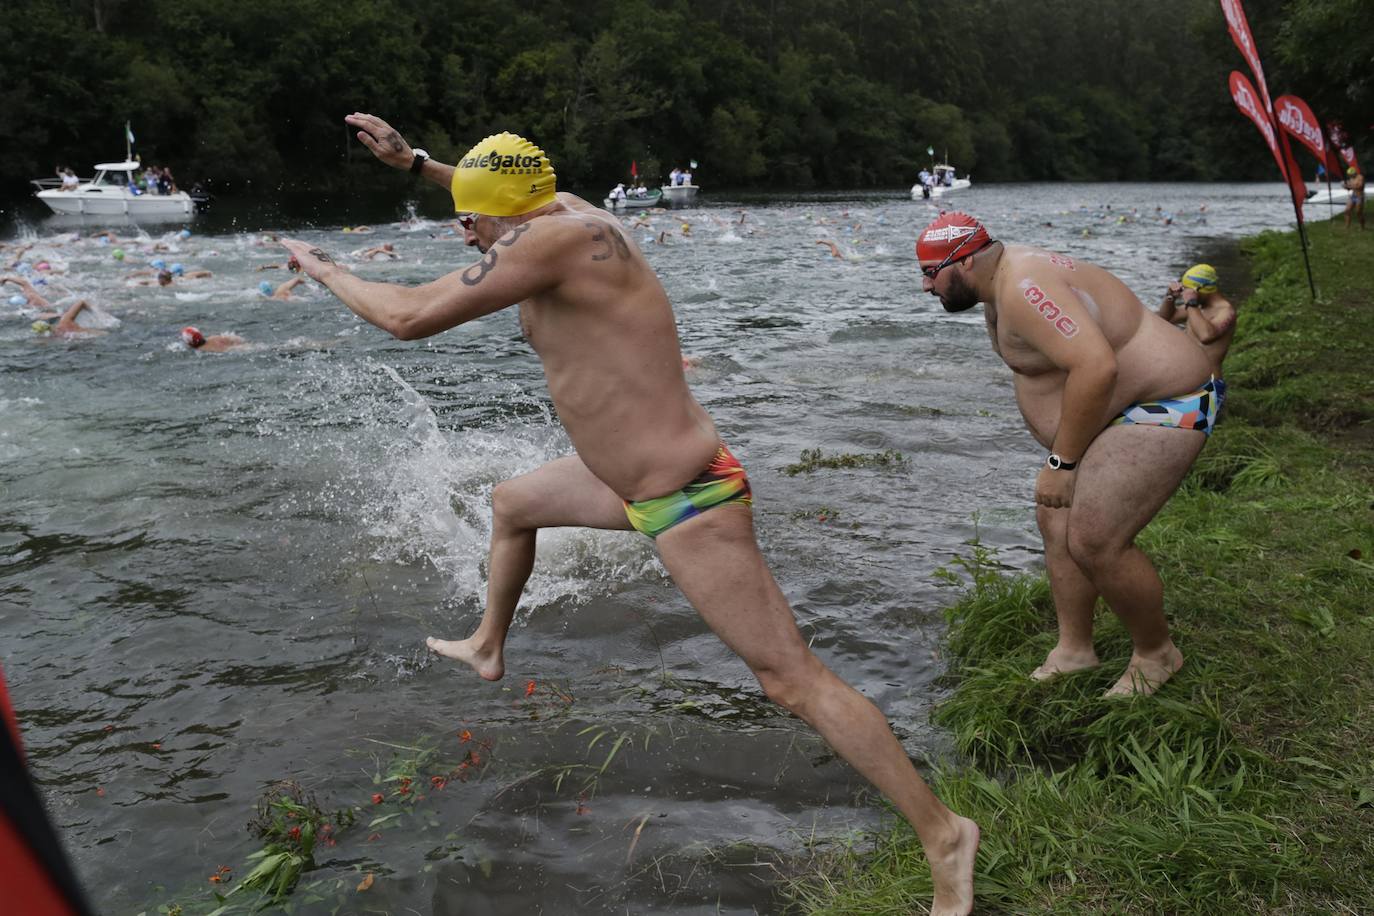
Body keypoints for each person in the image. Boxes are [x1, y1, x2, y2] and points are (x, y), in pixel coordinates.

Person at [286, 113, 980, 914]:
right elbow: (494, 199)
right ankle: (487, 643)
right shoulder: (573, 214)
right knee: (512, 503)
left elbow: (406, 316)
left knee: (793, 681)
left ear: (504, 212)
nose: (465, 233)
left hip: (686, 500)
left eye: (468, 220)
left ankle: (943, 833)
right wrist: (416, 166)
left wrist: (323, 268)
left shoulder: (543, 241)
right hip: (623, 480)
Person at [917, 211, 1220, 698]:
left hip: (1169, 403)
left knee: (1096, 538)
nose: (927, 288)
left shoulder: (1022, 286)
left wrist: (1063, 464)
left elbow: (1096, 368)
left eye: (931, 273)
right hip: (1122, 410)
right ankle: (1075, 650)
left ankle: (1157, 652)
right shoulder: (1003, 281)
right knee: (1056, 521)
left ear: (966, 261)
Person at [1157, 264, 1236, 379]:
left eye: (1188, 290)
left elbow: (1205, 336)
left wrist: (1191, 303)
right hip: (1186, 382)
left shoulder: (1226, 311)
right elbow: (1165, 319)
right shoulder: (1198, 307)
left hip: (1209, 386)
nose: (1185, 294)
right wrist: (1170, 297)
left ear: (1201, 289)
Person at [33, 300, 108, 338]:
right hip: (99, 336)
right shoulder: (64, 323)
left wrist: (98, 314)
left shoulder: (64, 324)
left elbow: (81, 302)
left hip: (102, 335)